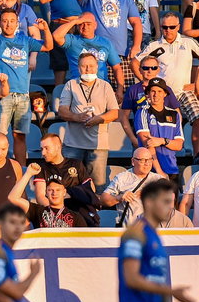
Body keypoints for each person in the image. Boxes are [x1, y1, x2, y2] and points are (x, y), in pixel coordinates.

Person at [0, 0, 52, 165]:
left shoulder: (25, 40)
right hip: (2, 96)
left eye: (12, 20)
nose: (8, 24)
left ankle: (21, 172)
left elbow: (48, 46)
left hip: (23, 96)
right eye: (4, 21)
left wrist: (46, 29)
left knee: (20, 137)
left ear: (18, 23)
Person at [135, 12, 199, 160]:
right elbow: (135, 62)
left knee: (198, 118)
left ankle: (196, 154)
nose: (168, 30)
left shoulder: (188, 42)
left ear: (178, 27)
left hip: (183, 91)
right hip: (162, 93)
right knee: (150, 121)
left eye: (171, 27)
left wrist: (197, 84)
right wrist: (146, 82)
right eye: (164, 27)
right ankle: (154, 155)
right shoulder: (154, 45)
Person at [73, 0, 141, 93]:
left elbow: (136, 23)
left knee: (124, 95)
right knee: (98, 94)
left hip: (121, 53)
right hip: (96, 54)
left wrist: (136, 45)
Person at [57, 53, 121, 187]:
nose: (88, 69)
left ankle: (96, 209)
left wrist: (98, 119)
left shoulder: (105, 86)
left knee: (98, 186)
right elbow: (62, 110)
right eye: (84, 66)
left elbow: (114, 113)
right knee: (69, 185)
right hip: (73, 145)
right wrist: (77, 117)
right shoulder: (71, 84)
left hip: (98, 146)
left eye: (91, 66)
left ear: (97, 67)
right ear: (78, 68)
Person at [120, 54, 180, 148]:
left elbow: (177, 114)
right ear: (139, 69)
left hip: (163, 140)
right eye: (145, 68)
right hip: (142, 139)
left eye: (153, 67)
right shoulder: (133, 90)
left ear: (158, 70)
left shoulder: (165, 89)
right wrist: (133, 139)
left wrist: (171, 140)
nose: (149, 70)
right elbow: (124, 117)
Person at [52, 12, 123, 87]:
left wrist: (120, 89)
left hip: (101, 86)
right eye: (81, 24)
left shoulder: (105, 42)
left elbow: (116, 68)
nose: (85, 27)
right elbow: (56, 36)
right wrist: (75, 21)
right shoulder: (72, 40)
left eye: (88, 24)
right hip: (78, 86)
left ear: (95, 25)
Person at [8, 165, 89, 228]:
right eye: (50, 190)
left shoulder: (76, 217)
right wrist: (28, 174)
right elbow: (13, 198)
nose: (54, 193)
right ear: (46, 192)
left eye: (58, 190)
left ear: (64, 192)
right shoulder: (37, 211)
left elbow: (83, 242)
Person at [135, 76, 184, 179]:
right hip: (150, 171)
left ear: (165, 94)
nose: (155, 94)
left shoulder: (174, 114)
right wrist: (159, 171)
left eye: (159, 91)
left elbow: (179, 145)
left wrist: (162, 141)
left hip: (171, 168)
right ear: (148, 93)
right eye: (152, 91)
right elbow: (148, 144)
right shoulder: (143, 112)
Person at [101, 147, 164, 225]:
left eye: (150, 160)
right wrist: (119, 198)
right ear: (133, 161)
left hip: (154, 228)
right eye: (142, 160)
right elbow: (103, 200)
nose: (147, 164)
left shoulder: (158, 179)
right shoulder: (122, 178)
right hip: (129, 229)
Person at [32, 132, 91, 204]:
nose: (43, 153)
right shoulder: (41, 168)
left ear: (58, 147)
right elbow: (40, 197)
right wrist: (56, 211)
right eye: (42, 149)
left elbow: (91, 188)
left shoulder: (76, 164)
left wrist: (72, 193)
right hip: (53, 211)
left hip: (76, 209)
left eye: (46, 148)